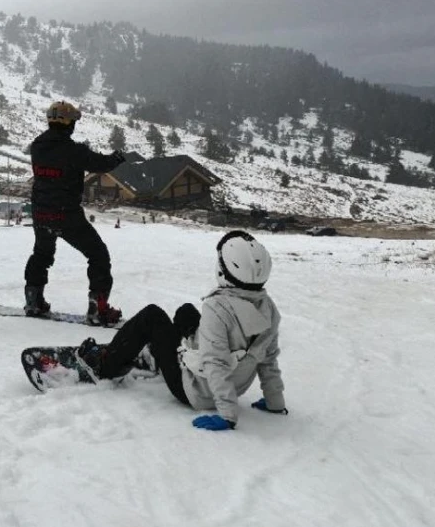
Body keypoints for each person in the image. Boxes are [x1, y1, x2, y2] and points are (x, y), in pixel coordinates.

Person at [75, 230, 287, 431]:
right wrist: (274, 401)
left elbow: (216, 362)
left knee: (152, 316)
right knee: (186, 313)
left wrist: (227, 416)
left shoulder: (218, 308)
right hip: (234, 384)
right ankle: (156, 356)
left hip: (194, 390)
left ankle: (103, 366)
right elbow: (268, 358)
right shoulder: (268, 308)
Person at [23, 100, 127, 325]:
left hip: (41, 213)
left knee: (41, 254)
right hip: (66, 214)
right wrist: (117, 157)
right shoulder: (74, 150)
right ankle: (98, 309)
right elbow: (99, 164)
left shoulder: (38, 146)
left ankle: (33, 301)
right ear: (69, 123)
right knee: (98, 255)